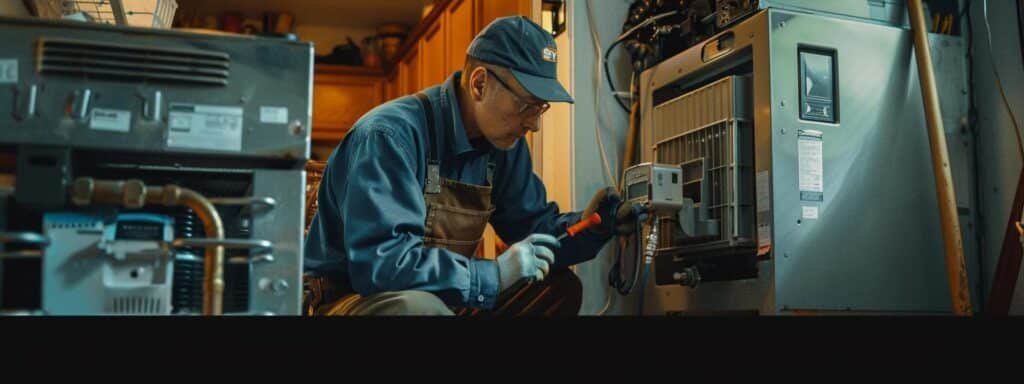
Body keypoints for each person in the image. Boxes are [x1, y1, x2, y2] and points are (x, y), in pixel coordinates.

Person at [303, 16, 631, 316]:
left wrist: (595, 225)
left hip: (441, 298)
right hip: (352, 299)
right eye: (526, 105)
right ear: (479, 84)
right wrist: (495, 275)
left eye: (540, 108)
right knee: (418, 310)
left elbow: (534, 228)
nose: (534, 125)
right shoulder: (389, 135)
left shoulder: (504, 144)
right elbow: (383, 267)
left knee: (557, 288)